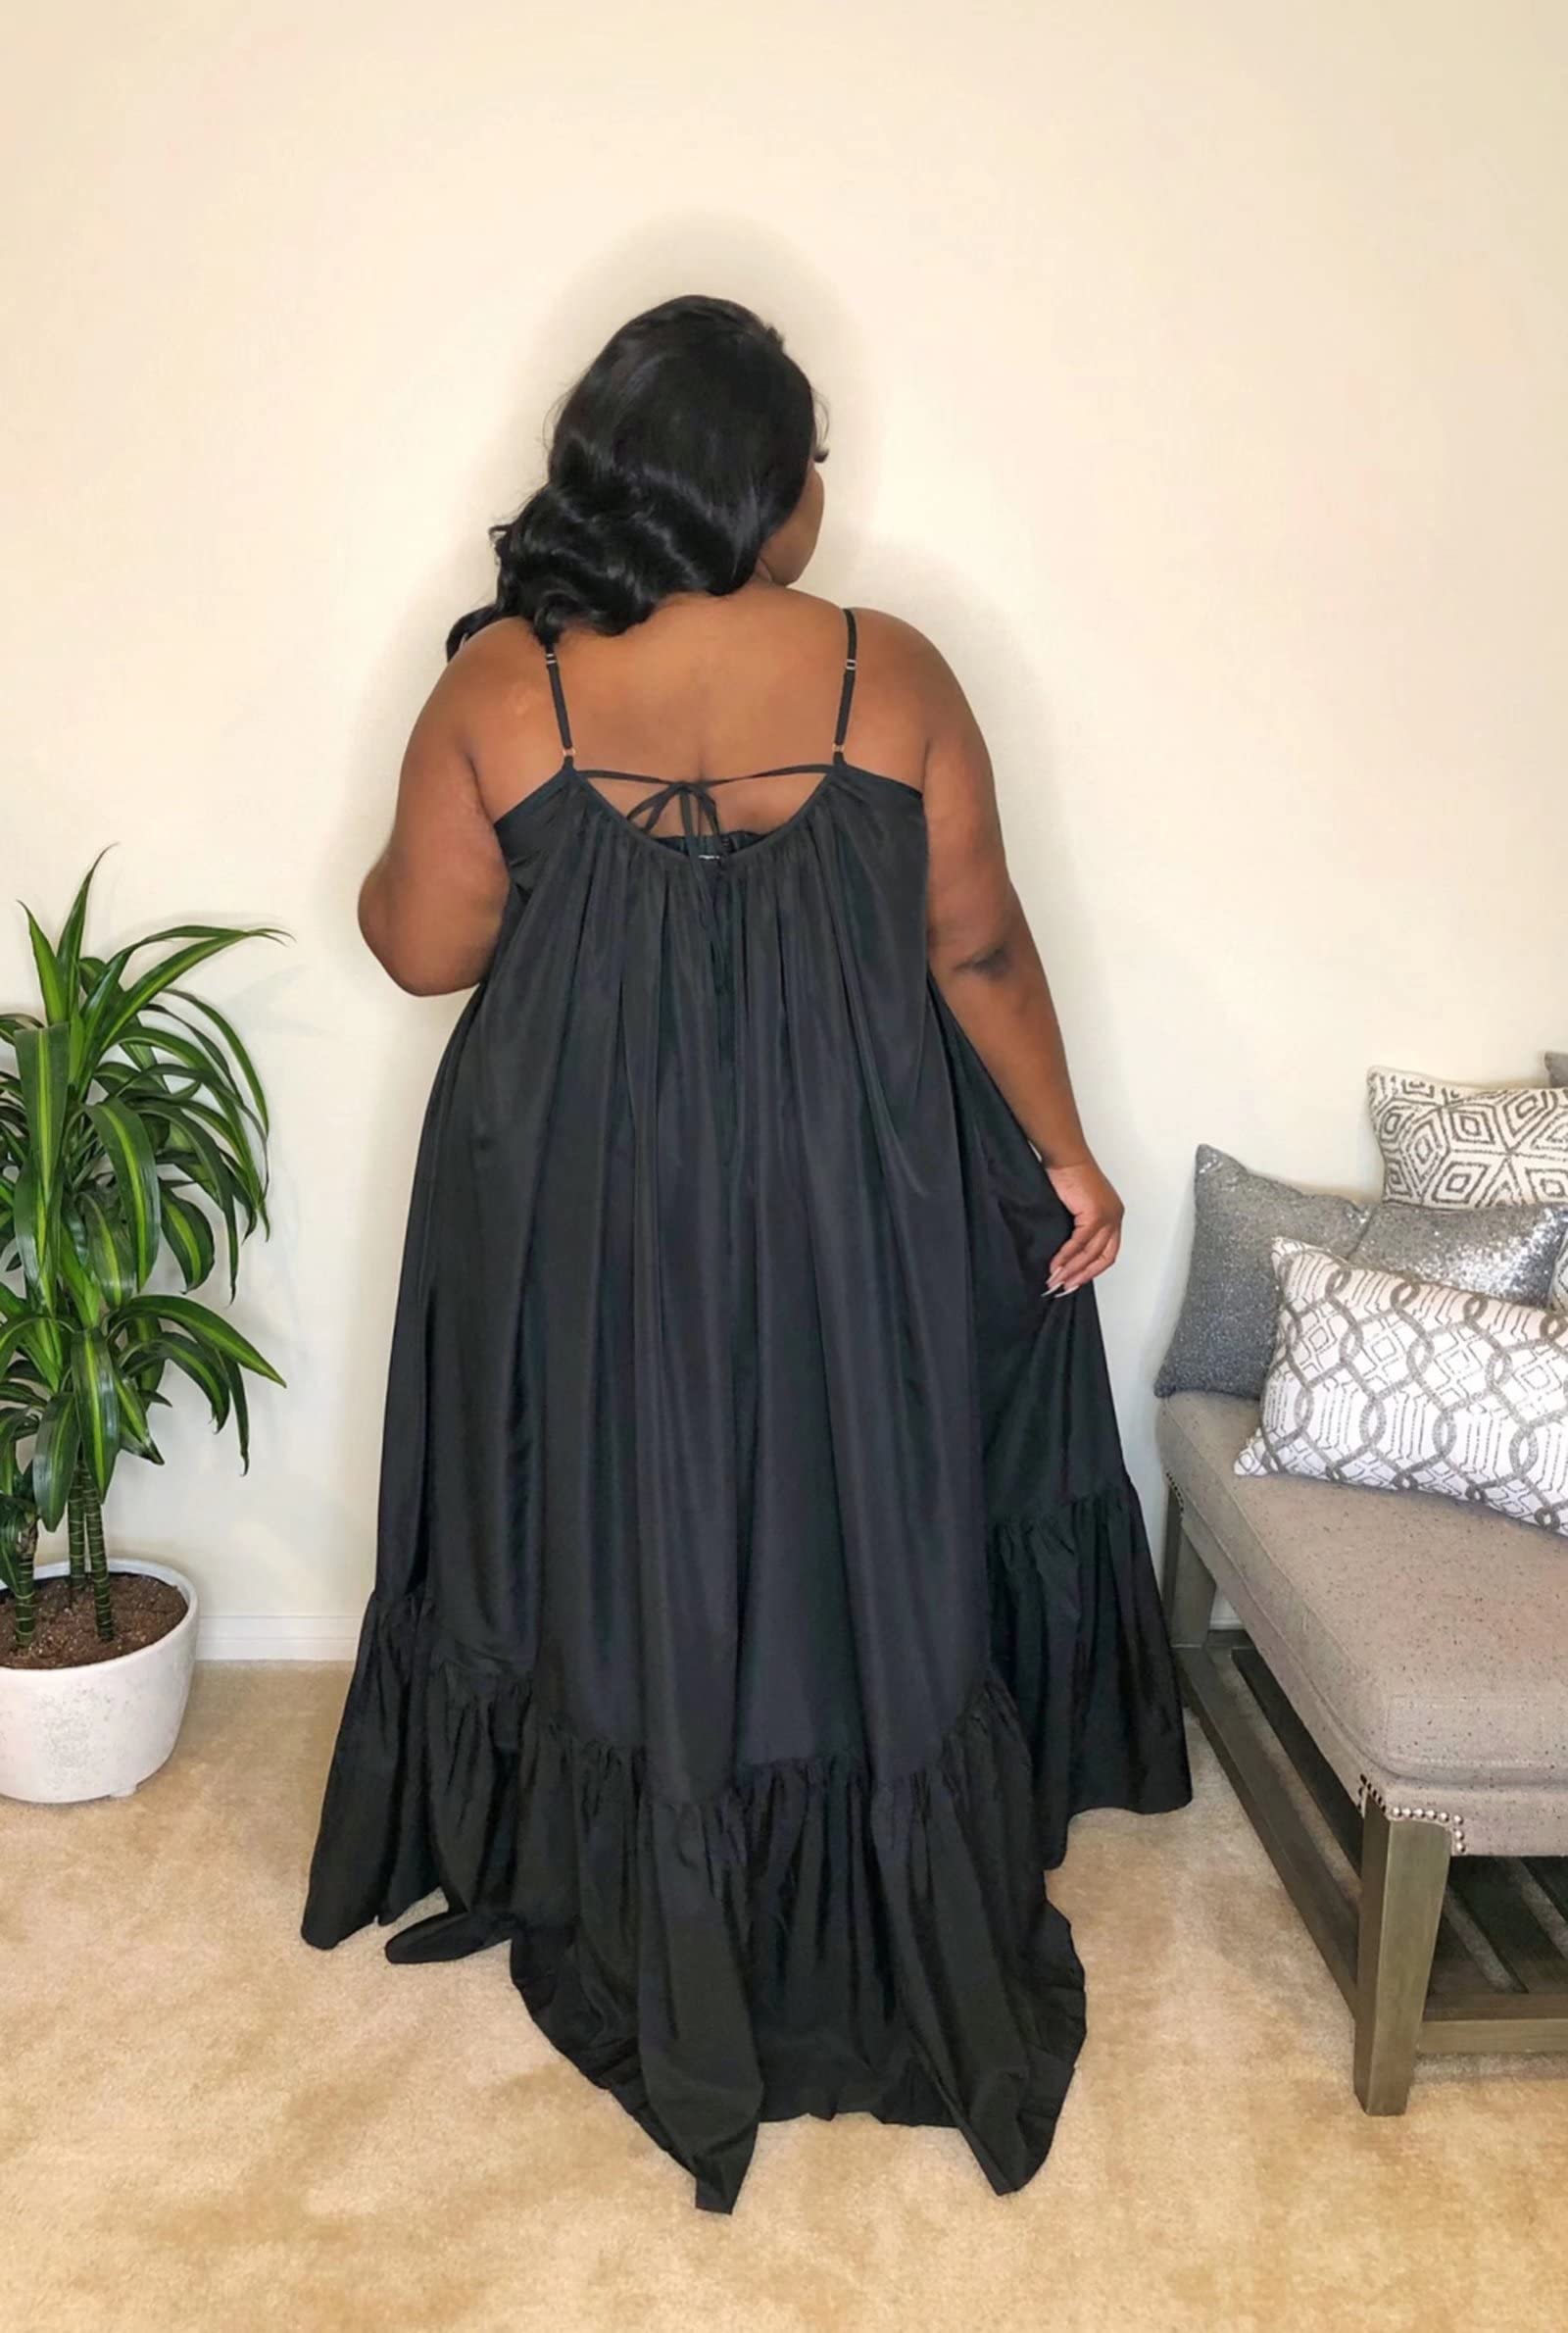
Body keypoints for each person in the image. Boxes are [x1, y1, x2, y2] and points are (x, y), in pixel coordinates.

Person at [300, 293, 1192, 2214]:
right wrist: (1063, 1154)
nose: (821, 492)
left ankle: (637, 1853)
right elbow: (973, 947)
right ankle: (855, 1884)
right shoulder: (890, 669)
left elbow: (421, 948)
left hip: (577, 1195)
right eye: (811, 461)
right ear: (764, 487)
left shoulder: (506, 686)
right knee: (837, 1500)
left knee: (613, 1506)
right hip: (843, 1184)